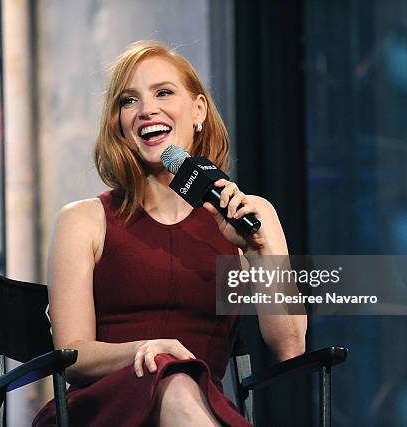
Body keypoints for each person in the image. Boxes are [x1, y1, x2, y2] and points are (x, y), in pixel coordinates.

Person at [33, 40, 307, 426]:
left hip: (204, 405)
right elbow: (72, 353)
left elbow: (291, 348)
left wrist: (260, 252)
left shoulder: (250, 214)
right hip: (104, 409)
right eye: (129, 101)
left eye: (163, 92)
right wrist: (147, 352)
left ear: (198, 110)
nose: (147, 110)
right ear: (120, 127)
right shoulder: (84, 220)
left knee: (181, 385)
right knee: (174, 379)